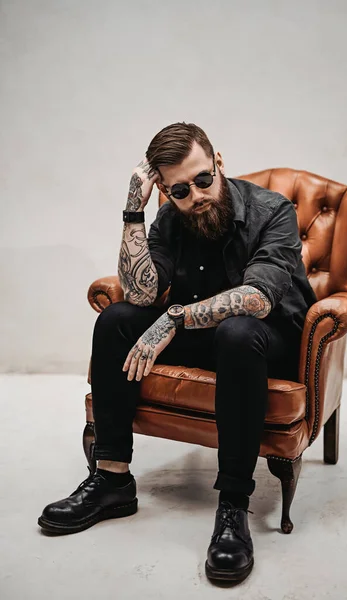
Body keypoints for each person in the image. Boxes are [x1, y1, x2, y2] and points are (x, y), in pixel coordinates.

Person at [38, 122, 317, 583]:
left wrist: (173, 319)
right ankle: (112, 479)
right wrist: (134, 210)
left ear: (219, 163)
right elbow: (139, 293)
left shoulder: (273, 211)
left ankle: (232, 506)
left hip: (264, 341)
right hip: (204, 336)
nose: (197, 196)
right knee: (115, 320)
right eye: (181, 190)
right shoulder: (172, 218)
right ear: (167, 191)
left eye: (204, 180)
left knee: (237, 331)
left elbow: (257, 299)